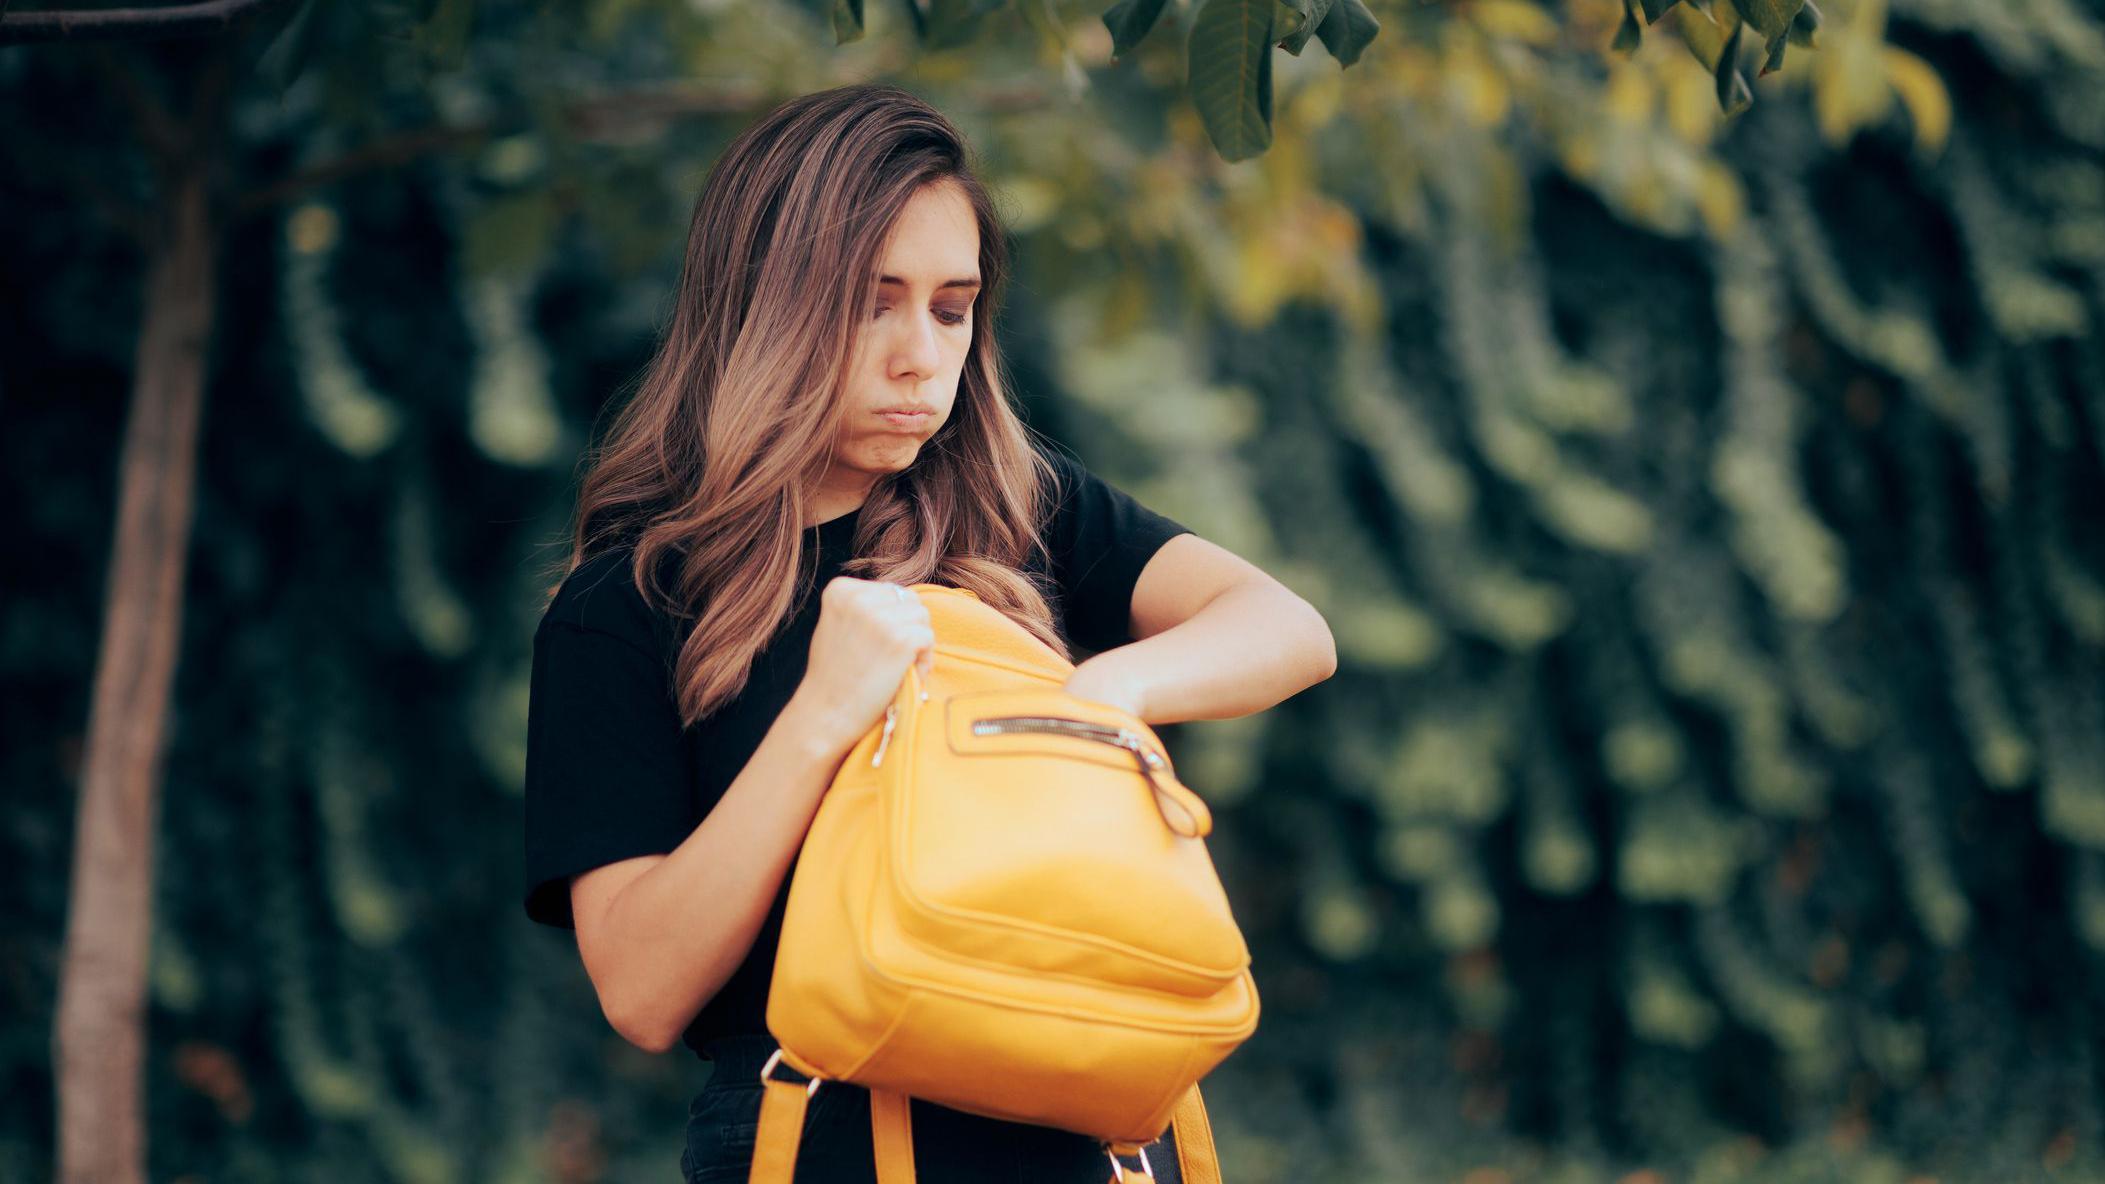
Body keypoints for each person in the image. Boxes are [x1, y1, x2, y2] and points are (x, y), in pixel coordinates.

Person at [521, 82, 1337, 1184]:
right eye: (872, 303)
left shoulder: (1016, 504)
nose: (920, 356)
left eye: (951, 308)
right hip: (825, 1146)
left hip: (1095, 1144)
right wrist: (818, 717)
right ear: (767, 307)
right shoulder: (628, 607)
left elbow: (1285, 628)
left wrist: (1100, 698)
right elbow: (642, 989)